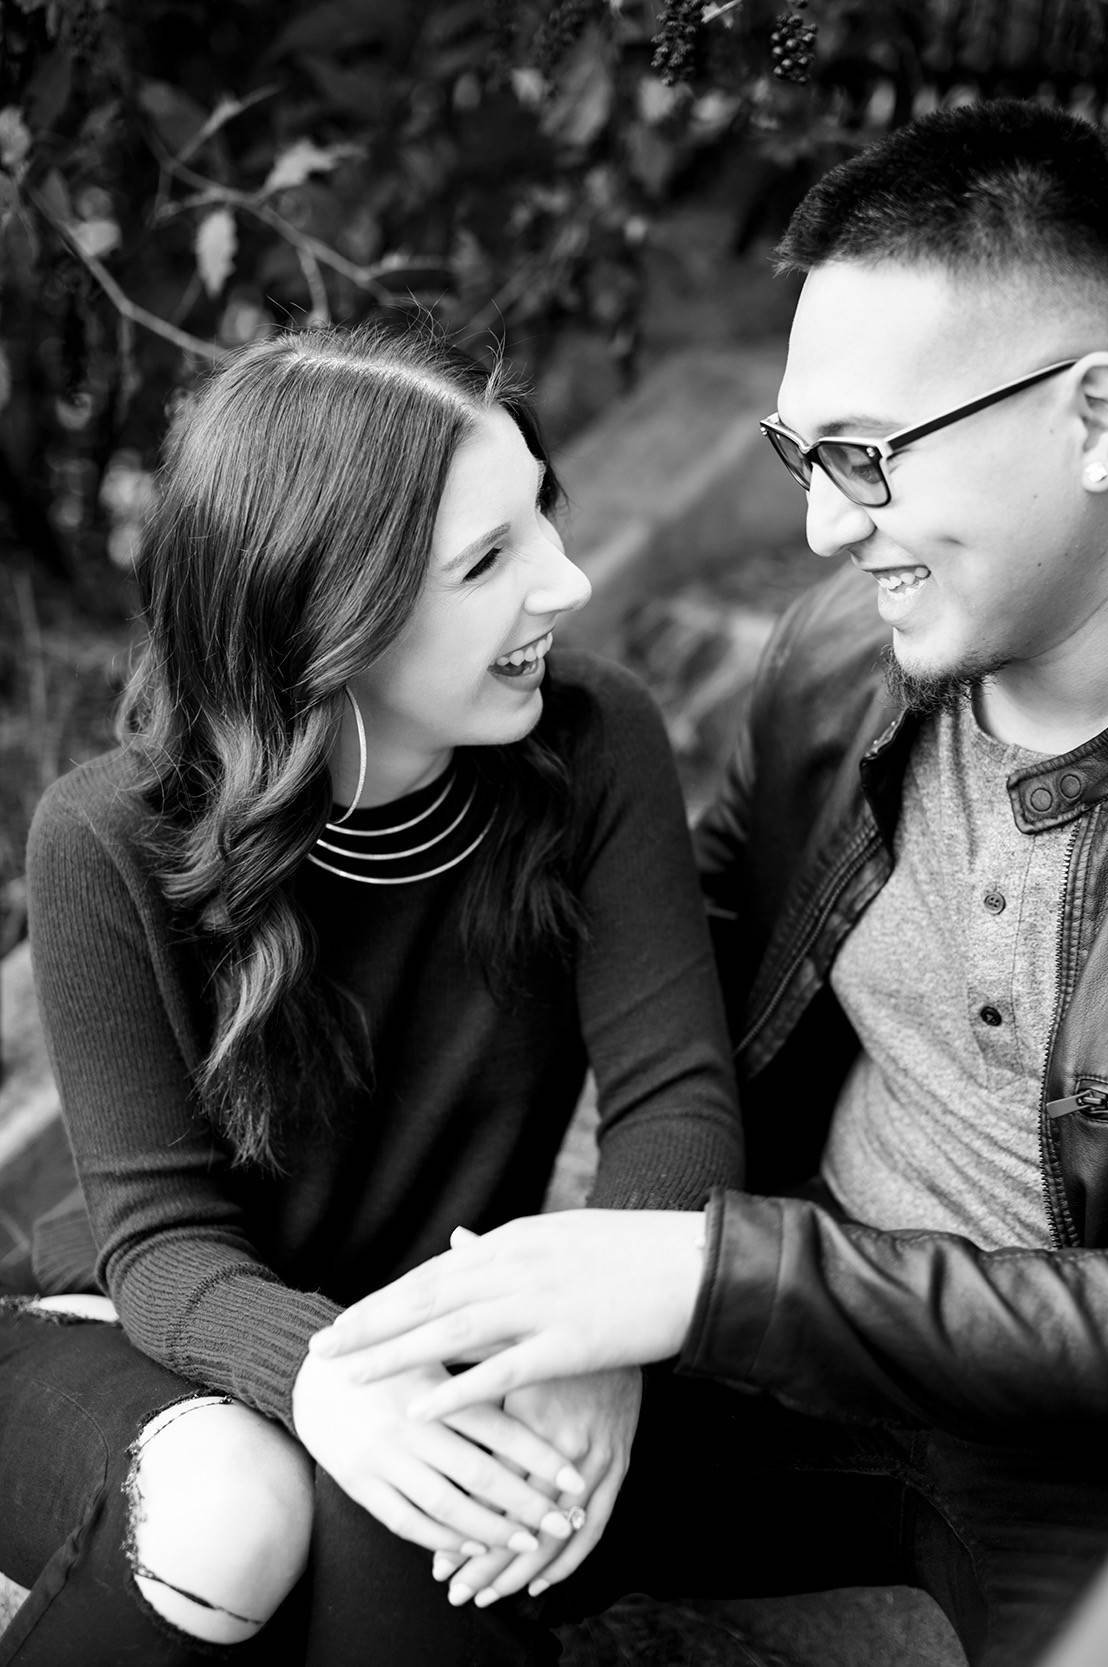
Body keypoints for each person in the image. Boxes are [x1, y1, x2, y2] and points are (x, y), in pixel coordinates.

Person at [307, 98, 1108, 1667]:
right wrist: (617, 1301)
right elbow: (698, 986)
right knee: (393, 1493)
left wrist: (703, 1276)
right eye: (801, 456)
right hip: (791, 1366)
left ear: (1094, 415)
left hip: (1061, 1460)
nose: (820, 528)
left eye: (866, 458)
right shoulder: (842, 664)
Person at [0, 320, 744, 1665]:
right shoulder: (106, 839)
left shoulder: (594, 744)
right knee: (241, 1501)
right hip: (135, 1337)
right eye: (487, 561)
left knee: (418, 1494)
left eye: (544, 514)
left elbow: (676, 1099)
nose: (566, 580)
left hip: (411, 1350)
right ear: (327, 613)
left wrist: (598, 1336)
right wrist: (326, 1378)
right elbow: (160, 1243)